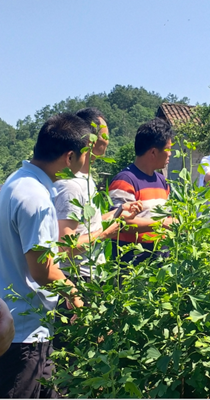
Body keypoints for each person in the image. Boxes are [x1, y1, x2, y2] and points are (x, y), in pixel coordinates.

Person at [0, 113, 90, 398]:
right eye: (84, 154)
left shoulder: (15, 182)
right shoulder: (36, 199)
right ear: (69, 157)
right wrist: (75, 297)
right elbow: (42, 270)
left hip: (11, 320)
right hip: (25, 332)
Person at [54, 108, 142, 281]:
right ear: (89, 139)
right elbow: (65, 247)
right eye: (105, 136)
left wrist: (118, 211)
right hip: (75, 278)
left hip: (91, 274)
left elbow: (86, 224)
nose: (108, 142)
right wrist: (105, 234)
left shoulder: (87, 180)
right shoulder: (71, 184)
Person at [108, 118, 173, 266]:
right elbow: (120, 223)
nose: (170, 154)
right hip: (133, 266)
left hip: (159, 261)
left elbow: (168, 217)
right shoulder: (125, 180)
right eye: (168, 149)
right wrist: (162, 224)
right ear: (153, 152)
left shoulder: (162, 180)